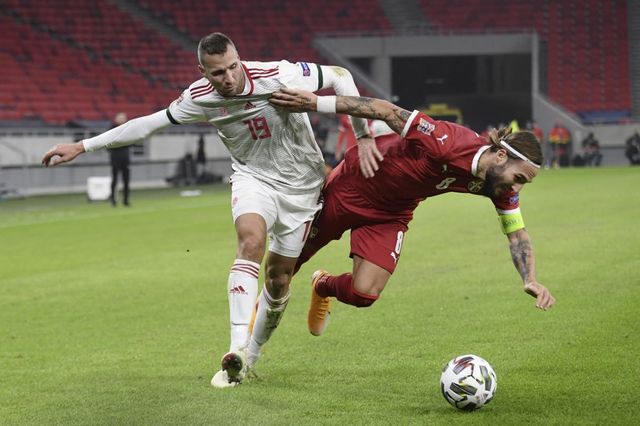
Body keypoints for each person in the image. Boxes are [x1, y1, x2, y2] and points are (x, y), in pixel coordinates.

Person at [41, 32, 379, 388]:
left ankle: (252, 357)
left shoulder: (277, 74)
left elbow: (340, 75)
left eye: (233, 67)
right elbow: (146, 125)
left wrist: (364, 135)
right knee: (250, 241)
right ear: (202, 71)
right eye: (218, 73)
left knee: (279, 279)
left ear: (239, 58)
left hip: (303, 187)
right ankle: (236, 349)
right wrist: (83, 145)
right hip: (254, 179)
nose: (229, 78)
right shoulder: (198, 98)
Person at [269, 88, 556, 339]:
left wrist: (529, 278)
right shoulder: (449, 142)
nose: (516, 188)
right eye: (519, 178)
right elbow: (385, 109)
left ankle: (323, 285)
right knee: (285, 268)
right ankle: (246, 346)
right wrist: (314, 103)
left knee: (364, 293)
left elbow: (517, 235)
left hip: (392, 212)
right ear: (502, 156)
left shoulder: (499, 186)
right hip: (353, 186)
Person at [108, 112, 131, 206]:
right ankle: (113, 199)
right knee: (115, 179)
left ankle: (126, 200)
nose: (122, 119)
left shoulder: (128, 129)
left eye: (123, 118)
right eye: (120, 118)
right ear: (116, 119)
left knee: (126, 180)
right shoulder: (112, 129)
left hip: (125, 157)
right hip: (115, 156)